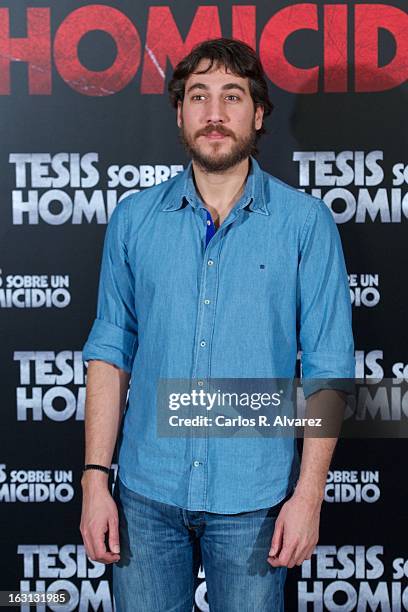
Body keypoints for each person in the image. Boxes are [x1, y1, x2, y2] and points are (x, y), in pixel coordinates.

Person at [80, 38, 355, 611]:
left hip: (256, 500)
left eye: (232, 97)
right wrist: (94, 480)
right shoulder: (134, 219)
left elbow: (329, 369)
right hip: (145, 496)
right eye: (198, 96)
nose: (214, 113)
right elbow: (111, 350)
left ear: (257, 114)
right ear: (180, 113)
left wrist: (309, 497)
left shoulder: (305, 225)